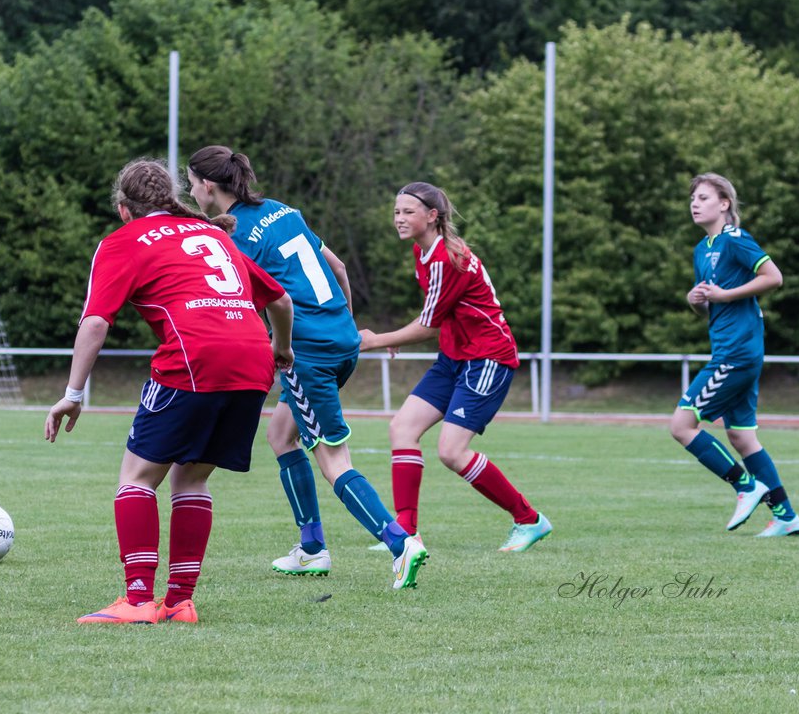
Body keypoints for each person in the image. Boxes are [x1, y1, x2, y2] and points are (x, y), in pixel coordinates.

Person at [45, 158, 296, 625]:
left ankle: (138, 600)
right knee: (192, 479)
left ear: (125, 209)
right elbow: (279, 300)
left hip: (196, 358)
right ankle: (180, 602)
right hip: (252, 360)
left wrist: (73, 394)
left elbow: (96, 322)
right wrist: (281, 349)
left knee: (137, 478)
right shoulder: (214, 235)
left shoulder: (123, 241)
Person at [186, 145, 428, 590]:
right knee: (281, 435)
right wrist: (345, 328)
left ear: (207, 185)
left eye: (191, 182)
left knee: (333, 459)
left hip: (308, 354)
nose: (190, 191)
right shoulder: (282, 211)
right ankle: (311, 549)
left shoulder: (235, 239)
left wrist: (283, 351)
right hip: (342, 340)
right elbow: (337, 268)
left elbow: (270, 304)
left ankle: (400, 543)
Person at [358, 182, 552, 552]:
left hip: (487, 359)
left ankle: (529, 519)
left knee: (451, 451)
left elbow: (428, 325)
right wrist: (399, 336)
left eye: (408, 212)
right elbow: (438, 315)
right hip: (455, 358)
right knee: (402, 429)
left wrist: (377, 339)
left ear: (433, 216)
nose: (399, 218)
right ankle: (406, 531)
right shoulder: (423, 251)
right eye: (396, 211)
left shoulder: (448, 258)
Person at [669, 172, 799, 536]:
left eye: (703, 197)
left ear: (724, 204)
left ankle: (746, 486)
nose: (694, 204)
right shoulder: (703, 249)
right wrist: (695, 300)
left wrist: (725, 295)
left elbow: (774, 277)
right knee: (743, 438)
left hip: (736, 353)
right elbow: (709, 306)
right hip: (732, 349)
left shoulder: (734, 240)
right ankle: (786, 516)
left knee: (681, 426)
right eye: (693, 198)